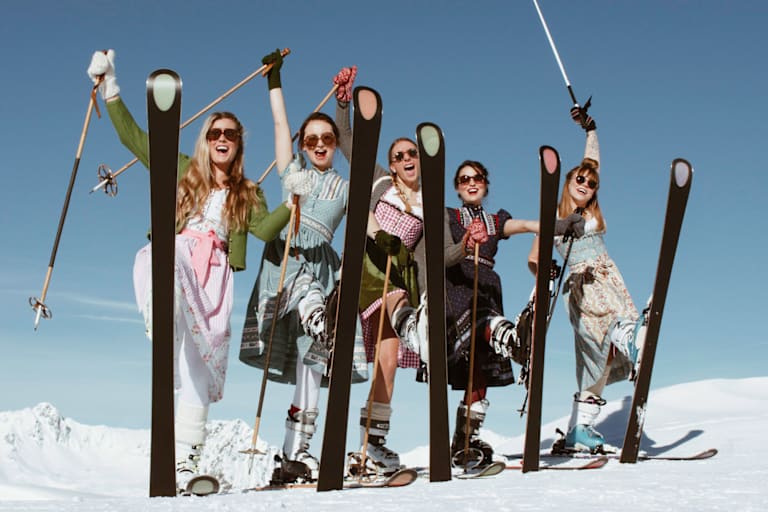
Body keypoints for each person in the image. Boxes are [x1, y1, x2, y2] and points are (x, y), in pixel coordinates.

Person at [87, 50, 295, 490]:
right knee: (168, 252)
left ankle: (185, 460)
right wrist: (111, 86)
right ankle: (159, 310)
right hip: (177, 255)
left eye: (231, 134)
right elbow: (136, 140)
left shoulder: (247, 192)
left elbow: (262, 232)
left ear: (239, 143)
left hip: (215, 278)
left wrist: (293, 204)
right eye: (216, 132)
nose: (223, 138)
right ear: (206, 138)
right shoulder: (182, 168)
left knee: (200, 368)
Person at [238, 53, 368, 481]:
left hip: (323, 265)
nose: (317, 145)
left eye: (326, 139)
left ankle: (296, 455)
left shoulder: (346, 188)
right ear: (301, 144)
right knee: (312, 304)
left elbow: (365, 221)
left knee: (310, 367)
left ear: (333, 144)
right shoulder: (291, 170)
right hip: (288, 259)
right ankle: (318, 315)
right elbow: (279, 125)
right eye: (310, 139)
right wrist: (274, 80)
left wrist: (345, 105)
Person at [333, 67, 468, 475]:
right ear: (391, 165)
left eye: (412, 154)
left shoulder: (434, 204)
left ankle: (371, 447)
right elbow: (348, 141)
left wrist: (468, 243)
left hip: (400, 275)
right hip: (369, 265)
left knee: (387, 362)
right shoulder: (377, 181)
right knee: (396, 306)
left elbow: (444, 255)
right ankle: (415, 327)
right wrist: (343, 103)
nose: (407, 159)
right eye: (399, 156)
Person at [444, 160, 584, 467]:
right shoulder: (448, 216)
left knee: (479, 371)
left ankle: (464, 441)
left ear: (485, 184)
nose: (471, 183)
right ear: (456, 187)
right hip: (458, 285)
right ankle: (514, 339)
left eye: (477, 178)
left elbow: (526, 226)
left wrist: (560, 226)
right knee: (485, 327)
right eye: (464, 179)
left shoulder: (495, 221)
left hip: (488, 286)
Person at [552, 106, 646, 454]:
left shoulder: (590, 211)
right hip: (582, 286)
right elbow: (534, 257)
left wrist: (591, 131)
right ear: (567, 182)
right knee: (604, 337)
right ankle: (631, 337)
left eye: (591, 185)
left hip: (609, 276)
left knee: (599, 359)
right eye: (580, 180)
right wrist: (542, 273)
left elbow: (593, 164)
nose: (587, 185)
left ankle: (581, 429)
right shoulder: (556, 217)